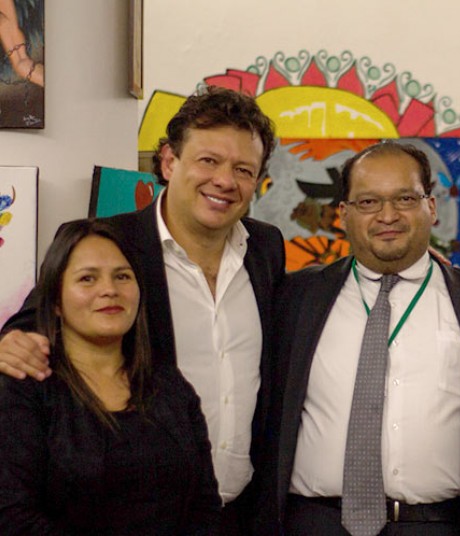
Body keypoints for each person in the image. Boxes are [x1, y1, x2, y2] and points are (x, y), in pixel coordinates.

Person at [0, 86, 285, 535]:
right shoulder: (112, 246)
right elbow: (31, 326)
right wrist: (8, 343)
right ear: (169, 161)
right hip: (140, 513)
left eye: (243, 169)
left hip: (243, 514)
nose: (225, 181)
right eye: (208, 160)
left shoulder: (266, 247)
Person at [258, 141, 460, 535]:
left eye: (405, 199)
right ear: (343, 214)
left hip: (437, 525)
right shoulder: (293, 299)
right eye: (368, 202)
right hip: (313, 523)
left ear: (431, 206)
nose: (388, 215)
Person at [0, 220, 220, 534]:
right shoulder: (25, 389)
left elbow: (205, 505)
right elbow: (12, 516)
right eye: (87, 278)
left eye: (122, 276)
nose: (109, 290)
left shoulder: (170, 385)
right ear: (55, 301)